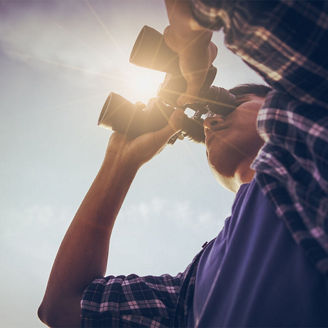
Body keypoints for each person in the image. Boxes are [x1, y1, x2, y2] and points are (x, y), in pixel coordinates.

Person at [38, 0, 328, 327]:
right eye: (202, 126)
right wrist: (119, 163)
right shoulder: (191, 288)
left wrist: (190, 34)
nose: (209, 121)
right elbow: (64, 306)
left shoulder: (309, 126)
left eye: (234, 103)